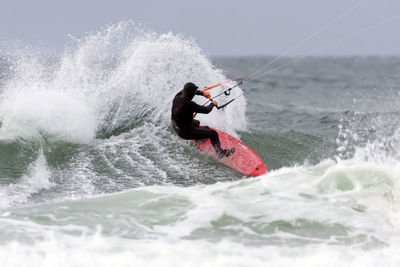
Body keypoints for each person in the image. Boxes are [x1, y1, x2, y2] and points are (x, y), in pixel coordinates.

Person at [171, 82, 235, 158]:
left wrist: (202, 93)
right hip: (185, 132)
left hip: (176, 125)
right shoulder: (189, 104)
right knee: (213, 134)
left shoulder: (177, 97)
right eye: (195, 91)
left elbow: (189, 92)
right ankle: (220, 152)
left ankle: (199, 139)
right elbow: (206, 110)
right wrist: (212, 104)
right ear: (191, 93)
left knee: (198, 123)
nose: (195, 92)